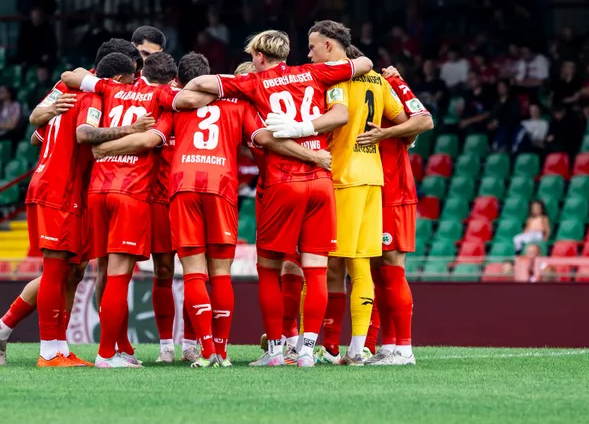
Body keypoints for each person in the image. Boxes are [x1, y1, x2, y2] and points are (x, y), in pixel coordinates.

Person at [90, 53, 332, 367]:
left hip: (182, 187)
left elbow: (150, 138)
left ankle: (203, 351)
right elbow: (265, 139)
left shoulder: (176, 105)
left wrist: (103, 149)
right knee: (220, 275)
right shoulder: (238, 103)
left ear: (181, 80)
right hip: (222, 188)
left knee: (192, 273)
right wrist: (311, 154)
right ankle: (222, 352)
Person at [183, 29, 373, 367]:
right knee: (316, 270)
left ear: (258, 56)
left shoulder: (252, 83)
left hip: (282, 183)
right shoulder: (312, 72)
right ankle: (306, 351)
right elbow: (365, 63)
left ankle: (274, 351)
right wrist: (307, 131)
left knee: (269, 269)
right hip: (321, 181)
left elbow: (200, 84)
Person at [0, 38, 140, 366]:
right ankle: (47, 349)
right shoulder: (92, 95)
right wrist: (130, 130)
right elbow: (70, 131)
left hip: (74, 192)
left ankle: (54, 345)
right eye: (132, 76)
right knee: (56, 270)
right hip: (58, 189)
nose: (134, 83)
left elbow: (37, 133)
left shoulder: (67, 88)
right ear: (117, 74)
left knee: (73, 271)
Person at [274, 22, 421, 366]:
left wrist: (297, 129)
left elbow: (337, 118)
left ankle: (306, 347)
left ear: (329, 45)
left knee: (320, 264)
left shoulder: (335, 80)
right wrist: (383, 134)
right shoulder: (378, 80)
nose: (309, 54)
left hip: (342, 177)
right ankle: (356, 350)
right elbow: (405, 123)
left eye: (312, 47)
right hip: (373, 179)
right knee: (361, 265)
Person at [58, 52, 168, 368]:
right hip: (130, 192)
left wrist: (103, 149)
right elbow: (150, 139)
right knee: (119, 276)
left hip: (98, 190)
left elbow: (70, 75)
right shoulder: (161, 97)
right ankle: (106, 354)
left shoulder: (109, 89)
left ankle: (122, 349)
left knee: (105, 274)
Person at [353, 65, 433, 367]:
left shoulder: (390, 83)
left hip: (394, 191)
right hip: (370, 188)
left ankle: (405, 349)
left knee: (392, 268)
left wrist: (385, 133)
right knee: (378, 272)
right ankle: (388, 346)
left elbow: (425, 120)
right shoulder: (348, 90)